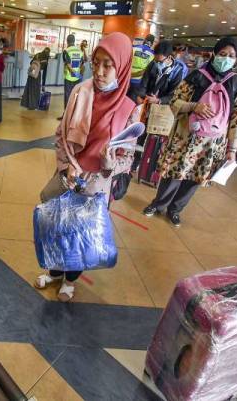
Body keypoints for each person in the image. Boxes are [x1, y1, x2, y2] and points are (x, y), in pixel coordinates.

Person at [35, 32, 141, 302]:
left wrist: (109, 163)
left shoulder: (130, 109)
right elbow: (61, 135)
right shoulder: (80, 92)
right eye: (96, 63)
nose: (100, 71)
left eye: (108, 65)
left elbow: (127, 159)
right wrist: (67, 166)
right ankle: (54, 272)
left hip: (97, 183)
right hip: (69, 174)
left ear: (122, 67)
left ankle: (70, 280)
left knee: (80, 233)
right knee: (57, 224)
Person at [142, 37, 237, 227]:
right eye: (222, 54)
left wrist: (232, 151)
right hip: (184, 137)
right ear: (214, 54)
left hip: (211, 143)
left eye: (231, 56)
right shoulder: (196, 76)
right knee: (173, 173)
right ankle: (158, 204)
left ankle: (175, 210)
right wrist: (194, 106)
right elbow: (175, 101)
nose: (226, 58)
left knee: (195, 178)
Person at [131, 40, 185, 170]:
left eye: (160, 61)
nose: (157, 63)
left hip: (162, 110)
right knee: (140, 134)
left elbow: (174, 94)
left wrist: (159, 100)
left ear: (169, 57)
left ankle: (150, 167)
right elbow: (144, 82)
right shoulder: (153, 64)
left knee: (156, 139)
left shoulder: (178, 70)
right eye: (156, 60)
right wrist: (140, 96)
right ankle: (134, 164)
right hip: (146, 105)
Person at [127, 34, 155, 103]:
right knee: (132, 100)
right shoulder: (152, 54)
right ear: (152, 43)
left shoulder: (134, 48)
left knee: (124, 96)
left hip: (127, 78)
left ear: (144, 40)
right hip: (139, 81)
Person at [61, 34, 84, 114]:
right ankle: (74, 114)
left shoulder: (66, 51)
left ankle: (66, 115)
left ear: (67, 41)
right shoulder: (79, 51)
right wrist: (79, 74)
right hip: (77, 77)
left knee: (68, 96)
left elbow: (68, 65)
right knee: (76, 96)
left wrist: (73, 72)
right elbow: (82, 64)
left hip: (69, 77)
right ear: (74, 41)